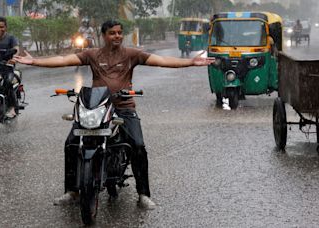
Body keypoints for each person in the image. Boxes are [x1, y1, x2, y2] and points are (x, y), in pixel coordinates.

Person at [13, 20, 215, 210]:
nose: (117, 36)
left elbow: (162, 60)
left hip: (124, 107)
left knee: (137, 145)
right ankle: (72, 192)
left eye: (119, 33)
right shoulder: (92, 55)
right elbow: (63, 60)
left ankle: (143, 194)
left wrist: (190, 62)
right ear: (103, 35)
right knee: (71, 143)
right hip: (96, 108)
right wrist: (34, 61)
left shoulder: (131, 54)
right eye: (112, 33)